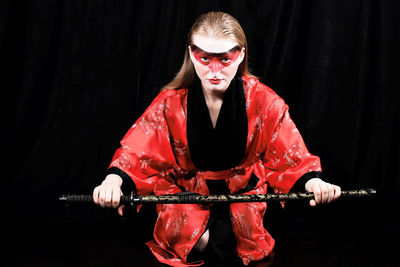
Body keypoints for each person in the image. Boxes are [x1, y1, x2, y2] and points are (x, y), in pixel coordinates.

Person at [93, 11, 341, 266]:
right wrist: (113, 181)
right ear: (191, 54)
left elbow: (292, 154)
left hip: (241, 195)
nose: (214, 71)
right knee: (197, 240)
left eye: (224, 59)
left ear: (241, 55)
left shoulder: (264, 102)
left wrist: (314, 184)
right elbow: (137, 150)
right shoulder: (170, 104)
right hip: (186, 193)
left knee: (244, 245)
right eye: (204, 58)